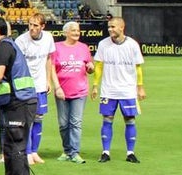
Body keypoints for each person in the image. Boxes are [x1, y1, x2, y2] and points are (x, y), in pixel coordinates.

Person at [0, 16, 37, 175]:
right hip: (25, 100)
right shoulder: (10, 45)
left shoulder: (3, 47)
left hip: (18, 102)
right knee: (19, 145)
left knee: (13, 146)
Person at [91, 16, 145, 163]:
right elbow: (99, 66)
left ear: (122, 27)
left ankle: (130, 153)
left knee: (130, 119)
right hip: (108, 90)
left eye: (113, 27)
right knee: (107, 119)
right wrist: (95, 85)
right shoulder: (103, 44)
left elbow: (138, 67)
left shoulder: (132, 44)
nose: (110, 29)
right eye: (109, 27)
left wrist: (140, 87)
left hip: (127, 90)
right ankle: (105, 152)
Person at [15, 13, 56, 165]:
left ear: (42, 26)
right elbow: (18, 64)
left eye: (35, 25)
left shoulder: (48, 38)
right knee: (27, 120)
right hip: (26, 85)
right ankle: (26, 152)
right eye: (30, 24)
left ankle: (34, 151)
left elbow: (48, 59)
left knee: (39, 118)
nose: (32, 28)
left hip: (40, 84)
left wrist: (48, 80)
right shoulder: (21, 40)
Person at [50, 21, 93, 164]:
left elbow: (88, 66)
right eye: (73, 30)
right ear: (66, 32)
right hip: (62, 91)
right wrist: (57, 87)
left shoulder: (84, 47)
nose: (76, 33)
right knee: (63, 123)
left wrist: (91, 67)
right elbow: (52, 69)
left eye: (78, 30)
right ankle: (67, 150)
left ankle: (75, 152)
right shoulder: (56, 48)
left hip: (80, 91)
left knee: (75, 122)